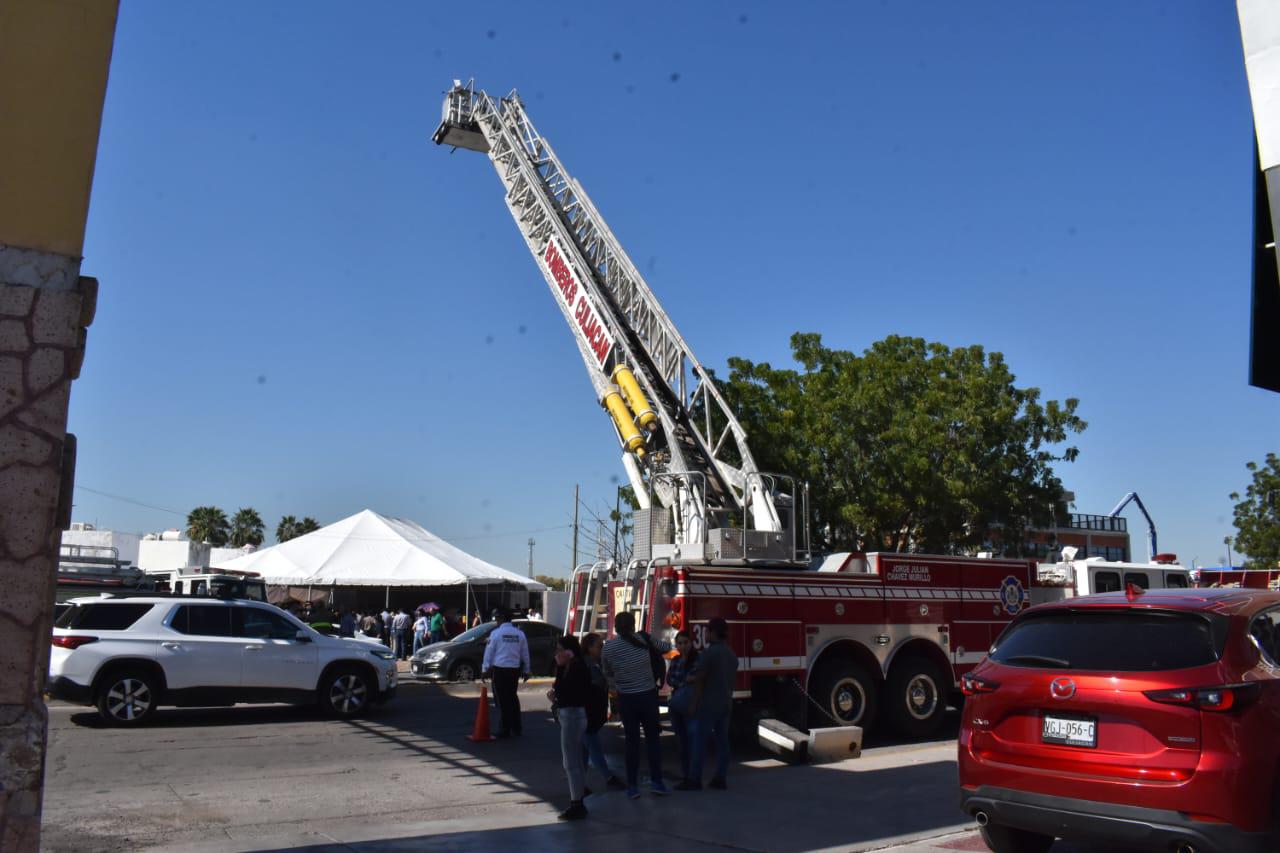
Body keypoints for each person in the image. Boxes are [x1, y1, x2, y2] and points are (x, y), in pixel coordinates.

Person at [602, 611, 669, 798]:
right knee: (653, 740)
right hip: (647, 697)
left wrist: (620, 683)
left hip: (627, 700)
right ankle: (657, 782)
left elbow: (607, 672)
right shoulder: (644, 641)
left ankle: (633, 786)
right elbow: (666, 647)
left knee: (632, 743)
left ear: (616, 627)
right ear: (633, 625)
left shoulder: (609, 647)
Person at [677, 617, 738, 791]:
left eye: (708, 631)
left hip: (708, 704)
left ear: (713, 632)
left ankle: (694, 779)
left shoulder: (709, 654)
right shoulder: (731, 655)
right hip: (725, 704)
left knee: (699, 742)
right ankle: (720, 778)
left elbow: (700, 681)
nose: (706, 634)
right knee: (722, 742)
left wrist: (693, 704)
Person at [548, 635, 591, 820]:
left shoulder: (576, 668)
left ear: (569, 652)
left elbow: (565, 690)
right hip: (572, 714)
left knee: (570, 762)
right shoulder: (573, 667)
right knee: (574, 760)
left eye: (560, 650)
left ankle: (576, 803)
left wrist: (559, 668)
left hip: (572, 714)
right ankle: (579, 795)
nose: (557, 653)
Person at [581, 632, 624, 790]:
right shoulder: (585, 666)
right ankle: (608, 777)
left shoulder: (598, 663)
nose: (602, 648)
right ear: (589, 648)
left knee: (585, 749)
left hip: (592, 714)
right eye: (599, 646)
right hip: (586, 714)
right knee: (592, 745)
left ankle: (580, 783)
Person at [481, 609, 530, 737]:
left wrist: (485, 669)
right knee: (512, 697)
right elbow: (525, 654)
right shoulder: (519, 634)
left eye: (497, 618)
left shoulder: (496, 634)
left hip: (500, 670)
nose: (496, 621)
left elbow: (489, 653)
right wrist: (526, 670)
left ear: (502, 618)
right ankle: (516, 727)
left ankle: (505, 728)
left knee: (502, 700)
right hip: (514, 670)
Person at [665, 629, 698, 783]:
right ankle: (685, 773)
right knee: (681, 740)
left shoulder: (698, 660)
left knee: (692, 740)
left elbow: (696, 679)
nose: (683, 646)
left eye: (686, 643)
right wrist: (685, 681)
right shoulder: (676, 660)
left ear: (691, 643)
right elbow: (670, 679)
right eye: (680, 643)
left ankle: (693, 774)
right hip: (676, 704)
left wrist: (683, 681)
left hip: (691, 704)